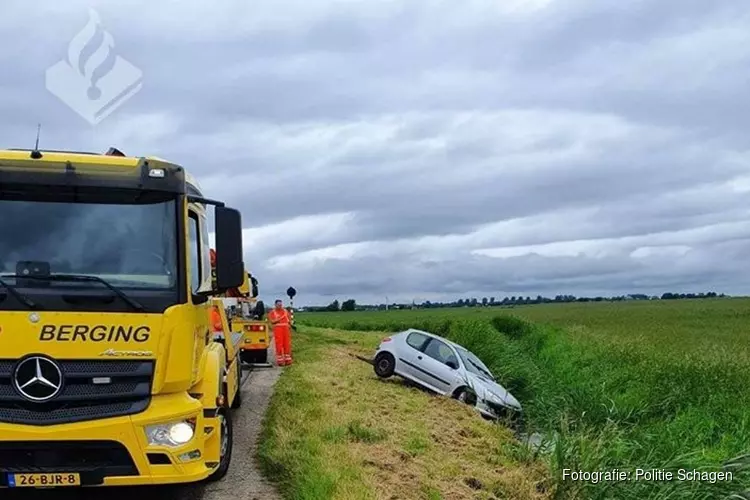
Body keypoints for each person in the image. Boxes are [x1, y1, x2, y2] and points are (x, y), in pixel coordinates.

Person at [267, 299, 292, 366]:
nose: (280, 306)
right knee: (279, 345)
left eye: (281, 305)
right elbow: (272, 321)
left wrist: (290, 325)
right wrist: (278, 320)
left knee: (287, 344)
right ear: (275, 305)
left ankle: (288, 360)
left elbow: (289, 320)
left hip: (286, 330)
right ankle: (280, 361)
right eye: (278, 305)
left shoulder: (285, 311)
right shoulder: (272, 312)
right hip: (278, 330)